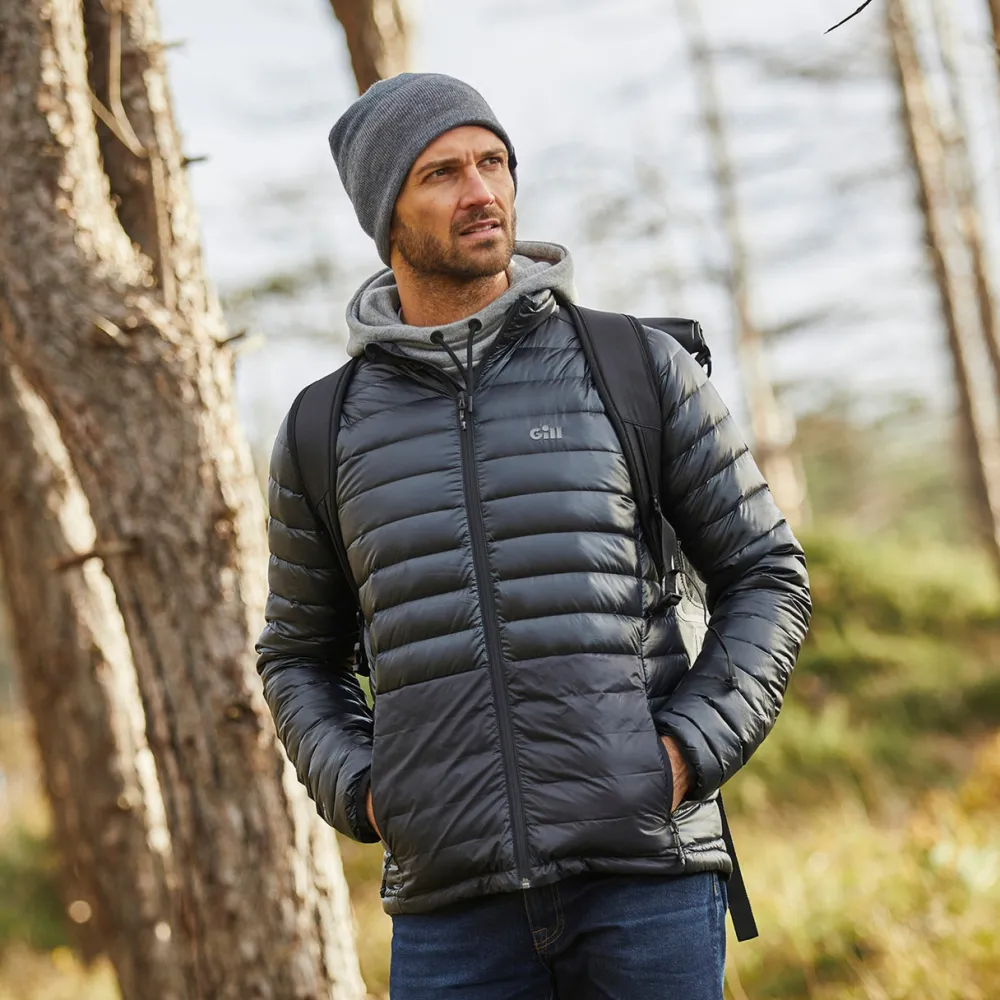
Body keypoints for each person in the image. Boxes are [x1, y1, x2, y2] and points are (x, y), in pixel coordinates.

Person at [256, 72, 812, 1000]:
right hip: (451, 913)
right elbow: (296, 656)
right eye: (442, 173)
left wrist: (681, 757)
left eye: (494, 162)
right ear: (386, 213)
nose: (482, 191)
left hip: (647, 882)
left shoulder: (633, 365)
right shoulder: (324, 427)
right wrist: (367, 791)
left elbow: (766, 574)